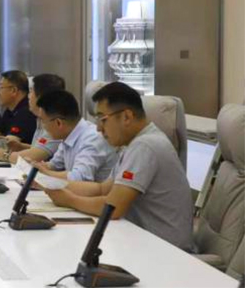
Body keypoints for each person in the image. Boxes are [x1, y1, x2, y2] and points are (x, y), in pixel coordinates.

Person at [43, 82, 194, 251]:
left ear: (126, 117)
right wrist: (53, 185)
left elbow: (112, 208)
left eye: (103, 119)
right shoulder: (133, 144)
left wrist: (70, 200)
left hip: (165, 251)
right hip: (144, 241)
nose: (98, 128)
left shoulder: (145, 146)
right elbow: (102, 189)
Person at [28, 90, 117, 181]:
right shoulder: (68, 136)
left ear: (58, 123)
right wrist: (36, 166)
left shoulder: (92, 138)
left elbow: (79, 177)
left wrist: (44, 173)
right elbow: (54, 165)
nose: (44, 126)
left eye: (43, 121)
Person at [0, 73, 65, 163]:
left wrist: (1, 154)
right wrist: (20, 146)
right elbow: (40, 148)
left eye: (31, 92)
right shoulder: (41, 119)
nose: (28, 96)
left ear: (41, 97)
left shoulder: (55, 123)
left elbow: (34, 156)